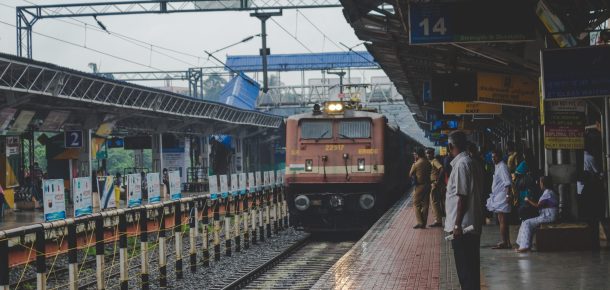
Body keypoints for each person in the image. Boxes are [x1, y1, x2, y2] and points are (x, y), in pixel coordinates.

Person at [445, 131, 483, 290]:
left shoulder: (461, 165)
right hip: (471, 225)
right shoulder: (472, 162)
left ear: (450, 146)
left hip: (463, 229)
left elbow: (462, 197)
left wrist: (456, 225)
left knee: (465, 273)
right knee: (472, 271)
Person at [516, 176, 559, 252]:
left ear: (543, 184)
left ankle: (525, 246)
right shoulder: (549, 192)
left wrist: (528, 200)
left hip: (548, 216)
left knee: (527, 223)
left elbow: (538, 205)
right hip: (546, 215)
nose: (539, 184)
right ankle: (522, 244)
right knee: (525, 221)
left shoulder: (548, 193)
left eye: (540, 182)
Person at [486, 149, 512, 249]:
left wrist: (508, 196)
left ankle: (504, 242)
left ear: (500, 156)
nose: (493, 159)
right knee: (504, 221)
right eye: (492, 157)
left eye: (495, 157)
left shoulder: (502, 167)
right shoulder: (498, 167)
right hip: (499, 196)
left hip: (502, 197)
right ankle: (507, 242)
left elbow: (508, 183)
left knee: (502, 221)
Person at [409, 148, 432, 229]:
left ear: (417, 155)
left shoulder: (416, 164)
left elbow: (410, 174)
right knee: (426, 204)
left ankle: (420, 222)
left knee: (416, 203)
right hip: (428, 185)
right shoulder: (428, 162)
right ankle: (424, 223)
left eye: (415, 154)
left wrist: (414, 164)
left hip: (420, 186)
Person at [426, 148, 443, 227]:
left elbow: (442, 169)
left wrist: (437, 181)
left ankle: (438, 221)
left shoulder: (434, 161)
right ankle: (437, 219)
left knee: (434, 202)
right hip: (431, 183)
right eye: (427, 153)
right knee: (433, 202)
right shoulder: (430, 162)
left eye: (429, 153)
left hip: (434, 183)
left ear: (432, 154)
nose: (428, 154)